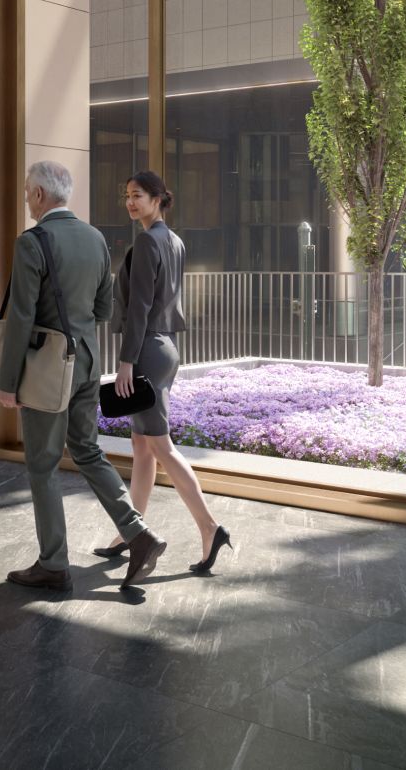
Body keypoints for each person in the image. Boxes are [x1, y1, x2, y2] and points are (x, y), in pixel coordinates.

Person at [0, 160, 164, 591]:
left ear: (37, 195)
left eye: (27, 192)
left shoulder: (32, 242)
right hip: (88, 362)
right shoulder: (96, 239)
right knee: (87, 451)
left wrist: (7, 382)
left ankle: (53, 564)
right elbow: (105, 311)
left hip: (48, 370)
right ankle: (139, 534)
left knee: (43, 464)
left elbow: (19, 317)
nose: (27, 200)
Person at [98, 170, 231, 574]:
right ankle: (131, 531)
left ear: (158, 199)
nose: (130, 202)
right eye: (127, 196)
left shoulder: (147, 242)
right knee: (142, 446)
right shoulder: (174, 242)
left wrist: (124, 362)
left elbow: (139, 306)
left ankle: (210, 528)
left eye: (138, 195)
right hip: (165, 347)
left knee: (161, 447)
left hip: (147, 351)